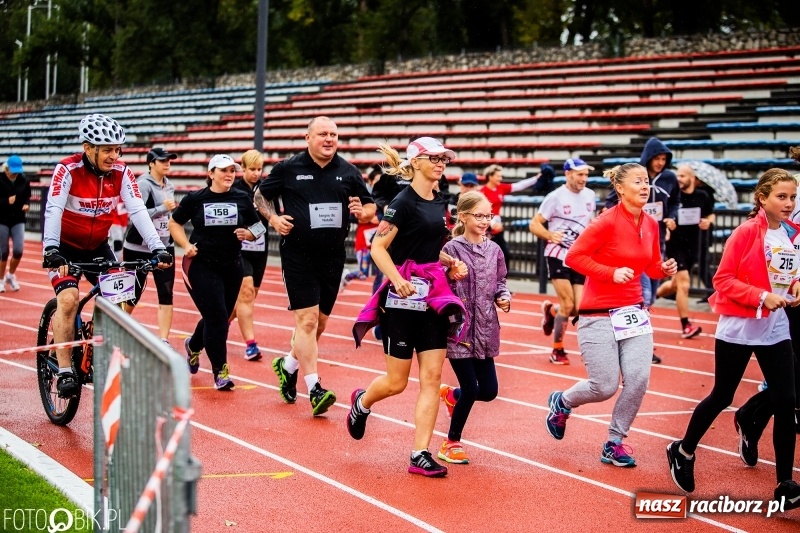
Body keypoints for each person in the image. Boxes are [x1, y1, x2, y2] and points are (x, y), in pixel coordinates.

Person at [666, 168, 800, 509]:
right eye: (781, 197)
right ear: (762, 198)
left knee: (786, 401)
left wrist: (793, 289)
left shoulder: (787, 233)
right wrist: (761, 296)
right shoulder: (745, 233)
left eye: (792, 197)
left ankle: (785, 483)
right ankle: (683, 450)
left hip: (775, 328)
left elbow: (786, 278)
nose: (788, 204)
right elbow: (722, 280)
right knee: (722, 395)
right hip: (740, 327)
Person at [346, 136, 468, 478]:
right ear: (416, 163)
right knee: (397, 382)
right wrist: (396, 279)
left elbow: (427, 247)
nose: (441, 163)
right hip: (400, 301)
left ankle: (420, 453)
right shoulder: (403, 201)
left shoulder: (441, 201)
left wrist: (447, 262)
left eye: (444, 158)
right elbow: (378, 247)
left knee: (432, 377)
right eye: (434, 158)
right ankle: (362, 402)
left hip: (432, 299)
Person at [544, 163, 677, 467]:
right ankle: (562, 402)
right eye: (638, 182)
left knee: (638, 379)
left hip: (634, 312)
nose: (645, 187)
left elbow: (651, 266)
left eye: (647, 182)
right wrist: (610, 272)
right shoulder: (605, 222)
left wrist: (664, 269)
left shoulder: (651, 224)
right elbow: (575, 257)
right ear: (620, 188)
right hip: (598, 314)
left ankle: (614, 442)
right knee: (604, 386)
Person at [42, 114, 173, 398]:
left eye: (118, 149)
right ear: (89, 148)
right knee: (68, 300)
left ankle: (97, 349)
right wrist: (51, 249)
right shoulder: (67, 170)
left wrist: (157, 247)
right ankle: (65, 369)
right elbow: (53, 208)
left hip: (99, 245)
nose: (114, 155)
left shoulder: (122, 172)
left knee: (120, 301)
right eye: (108, 149)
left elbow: (138, 210)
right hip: (64, 247)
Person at [254, 116, 376, 416]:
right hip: (298, 255)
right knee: (306, 322)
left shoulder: (348, 172)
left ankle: (288, 365)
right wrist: (273, 219)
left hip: (333, 257)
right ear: (307, 137)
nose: (329, 139)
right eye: (323, 134)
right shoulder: (289, 168)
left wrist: (363, 211)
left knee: (318, 325)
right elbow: (259, 195)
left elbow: (371, 205)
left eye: (334, 134)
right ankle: (314, 388)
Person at [169, 154, 262, 391]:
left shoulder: (242, 197)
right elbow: (174, 223)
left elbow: (259, 226)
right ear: (211, 174)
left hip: (232, 265)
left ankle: (193, 344)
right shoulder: (196, 198)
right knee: (218, 318)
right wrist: (186, 246)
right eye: (223, 170)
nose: (229, 174)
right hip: (201, 264)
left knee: (217, 317)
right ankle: (220, 371)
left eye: (232, 170)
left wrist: (250, 234)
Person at [438, 191, 510, 464]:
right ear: (463, 216)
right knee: (471, 388)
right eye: (478, 216)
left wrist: (503, 297)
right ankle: (451, 442)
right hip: (459, 330)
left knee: (489, 391)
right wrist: (450, 273)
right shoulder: (451, 249)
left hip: (486, 328)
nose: (484, 221)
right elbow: (438, 281)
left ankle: (451, 395)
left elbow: (501, 281)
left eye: (487, 216)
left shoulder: (494, 250)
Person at [605, 137, 679, 364]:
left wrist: (671, 218)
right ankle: (639, 348)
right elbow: (610, 203)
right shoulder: (633, 176)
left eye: (664, 159)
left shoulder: (670, 178)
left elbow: (676, 202)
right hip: (633, 245)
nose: (660, 163)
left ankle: (628, 343)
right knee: (643, 295)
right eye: (656, 158)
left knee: (650, 296)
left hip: (656, 242)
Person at [529, 157, 596, 365]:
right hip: (557, 253)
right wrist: (550, 235)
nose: (583, 178)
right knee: (568, 303)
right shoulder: (555, 197)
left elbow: (590, 223)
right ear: (568, 174)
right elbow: (534, 224)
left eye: (586, 174)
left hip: (580, 255)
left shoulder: (591, 195)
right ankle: (557, 350)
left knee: (578, 307)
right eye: (580, 174)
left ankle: (551, 311)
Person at [122, 147, 178, 344]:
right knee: (132, 294)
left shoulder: (170, 185)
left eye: (169, 160)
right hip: (138, 248)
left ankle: (164, 340)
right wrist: (163, 208)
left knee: (166, 293)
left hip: (164, 247)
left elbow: (168, 216)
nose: (167, 163)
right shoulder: (143, 184)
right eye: (163, 160)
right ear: (151, 163)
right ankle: (119, 326)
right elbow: (136, 215)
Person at [655, 163, 715, 338]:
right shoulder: (674, 196)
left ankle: (648, 298)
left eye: (683, 176)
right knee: (685, 284)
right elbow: (663, 216)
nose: (679, 179)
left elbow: (710, 214)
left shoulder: (702, 196)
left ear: (693, 179)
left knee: (676, 284)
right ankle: (685, 325)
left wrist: (708, 221)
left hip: (694, 245)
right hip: (675, 246)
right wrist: (668, 222)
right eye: (678, 175)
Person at [232, 149, 268, 361]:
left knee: (249, 297)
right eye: (252, 169)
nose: (256, 173)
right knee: (245, 293)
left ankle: (217, 327)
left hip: (260, 250)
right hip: (239, 249)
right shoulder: (235, 190)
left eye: (259, 169)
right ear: (242, 169)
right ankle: (251, 345)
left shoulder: (265, 190)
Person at [480, 164, 542, 271]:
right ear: (490, 176)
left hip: (497, 226)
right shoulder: (482, 191)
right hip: (487, 226)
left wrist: (535, 179)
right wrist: (492, 223)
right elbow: (482, 211)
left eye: (501, 176)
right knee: (486, 256)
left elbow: (519, 186)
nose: (500, 178)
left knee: (504, 254)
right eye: (498, 176)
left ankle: (502, 281)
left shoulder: (501, 188)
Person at [0, 155, 30, 293]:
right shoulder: (0, 179)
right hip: (2, 219)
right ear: (7, 168)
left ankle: (10, 275)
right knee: (4, 252)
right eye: (13, 170)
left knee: (18, 250)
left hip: (18, 219)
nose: (16, 173)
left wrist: (26, 205)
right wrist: (6, 202)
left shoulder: (23, 180)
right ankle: (0, 280)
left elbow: (27, 197)